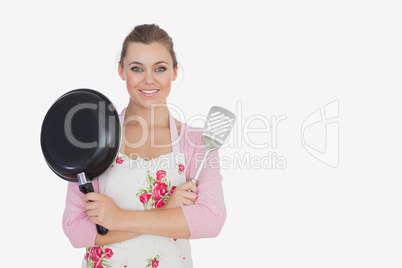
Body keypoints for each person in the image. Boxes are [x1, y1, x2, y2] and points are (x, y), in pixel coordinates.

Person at [62, 24, 226, 268]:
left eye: (160, 68)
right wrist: (167, 212)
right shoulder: (94, 139)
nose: (149, 80)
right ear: (121, 71)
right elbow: (76, 229)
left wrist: (119, 218)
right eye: (136, 68)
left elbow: (211, 221)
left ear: (174, 72)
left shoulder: (197, 143)